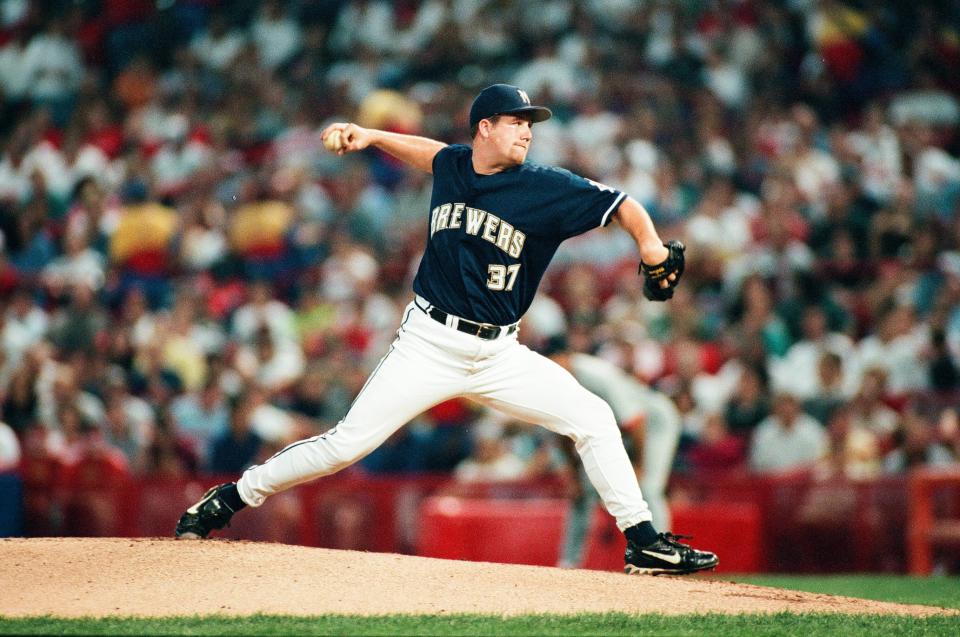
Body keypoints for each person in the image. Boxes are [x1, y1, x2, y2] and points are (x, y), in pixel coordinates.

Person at [175, 84, 717, 575]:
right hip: (428, 345)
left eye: (531, 122)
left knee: (594, 418)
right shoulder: (456, 165)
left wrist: (649, 247)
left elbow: (624, 206)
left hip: (501, 354)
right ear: (485, 128)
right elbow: (428, 152)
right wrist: (367, 135)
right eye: (515, 120)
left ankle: (642, 539)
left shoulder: (546, 187)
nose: (527, 129)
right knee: (344, 445)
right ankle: (233, 496)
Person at [541, 336, 682, 569]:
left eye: (554, 360)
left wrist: (638, 466)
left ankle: (663, 556)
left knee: (647, 488)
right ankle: (568, 563)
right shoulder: (552, 382)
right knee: (582, 493)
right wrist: (574, 475)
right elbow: (561, 433)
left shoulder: (596, 375)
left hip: (654, 423)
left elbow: (636, 423)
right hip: (616, 432)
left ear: (566, 357)